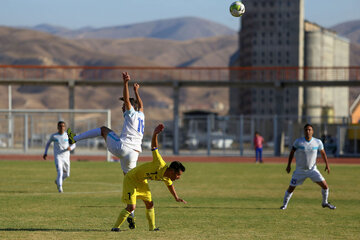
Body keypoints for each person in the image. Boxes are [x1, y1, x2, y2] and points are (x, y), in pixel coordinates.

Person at [66, 71, 145, 228]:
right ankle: (132, 213)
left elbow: (132, 103)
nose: (123, 107)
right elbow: (141, 105)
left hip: (123, 147)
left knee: (103, 129)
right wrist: (136, 91)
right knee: (129, 182)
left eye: (125, 105)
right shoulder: (142, 116)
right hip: (134, 154)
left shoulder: (132, 114)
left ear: (131, 107)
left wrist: (125, 84)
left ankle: (74, 138)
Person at [111, 123, 186, 232]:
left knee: (150, 203)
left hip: (141, 182)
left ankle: (152, 228)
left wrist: (176, 197)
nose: (178, 177)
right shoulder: (159, 163)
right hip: (131, 179)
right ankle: (115, 228)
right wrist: (155, 133)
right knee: (131, 207)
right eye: (178, 174)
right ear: (172, 170)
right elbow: (154, 147)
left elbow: (170, 186)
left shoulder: (167, 177)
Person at [280, 123, 336, 210]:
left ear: (312, 131)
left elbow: (323, 153)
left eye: (310, 130)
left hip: (313, 170)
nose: (308, 131)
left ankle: (324, 202)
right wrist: (289, 165)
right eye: (306, 130)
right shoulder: (298, 141)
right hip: (300, 171)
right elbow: (292, 152)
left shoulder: (317, 142)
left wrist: (327, 165)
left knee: (325, 186)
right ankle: (284, 205)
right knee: (291, 188)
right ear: (304, 131)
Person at [43, 121, 76, 193]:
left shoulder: (68, 135)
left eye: (63, 126)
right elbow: (48, 143)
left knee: (67, 174)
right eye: (60, 126)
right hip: (58, 157)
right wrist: (45, 153)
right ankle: (60, 188)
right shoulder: (54, 136)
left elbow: (74, 144)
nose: (62, 127)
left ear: (65, 127)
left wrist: (71, 148)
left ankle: (57, 181)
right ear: (57, 127)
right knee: (60, 172)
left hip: (66, 157)